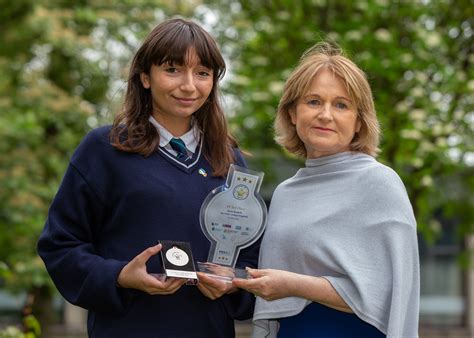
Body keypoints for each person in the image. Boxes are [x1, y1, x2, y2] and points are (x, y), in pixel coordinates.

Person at [37, 18, 259, 338]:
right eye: (172, 69)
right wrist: (119, 276)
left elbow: (251, 256)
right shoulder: (104, 150)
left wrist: (233, 283)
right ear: (145, 77)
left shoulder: (230, 161)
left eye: (202, 73)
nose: (189, 85)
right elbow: (60, 245)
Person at [233, 42, 420, 337]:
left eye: (341, 105)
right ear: (292, 113)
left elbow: (388, 295)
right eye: (314, 101)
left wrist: (294, 285)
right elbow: (271, 278)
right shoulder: (284, 193)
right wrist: (230, 278)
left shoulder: (380, 184)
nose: (325, 115)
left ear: (359, 122)